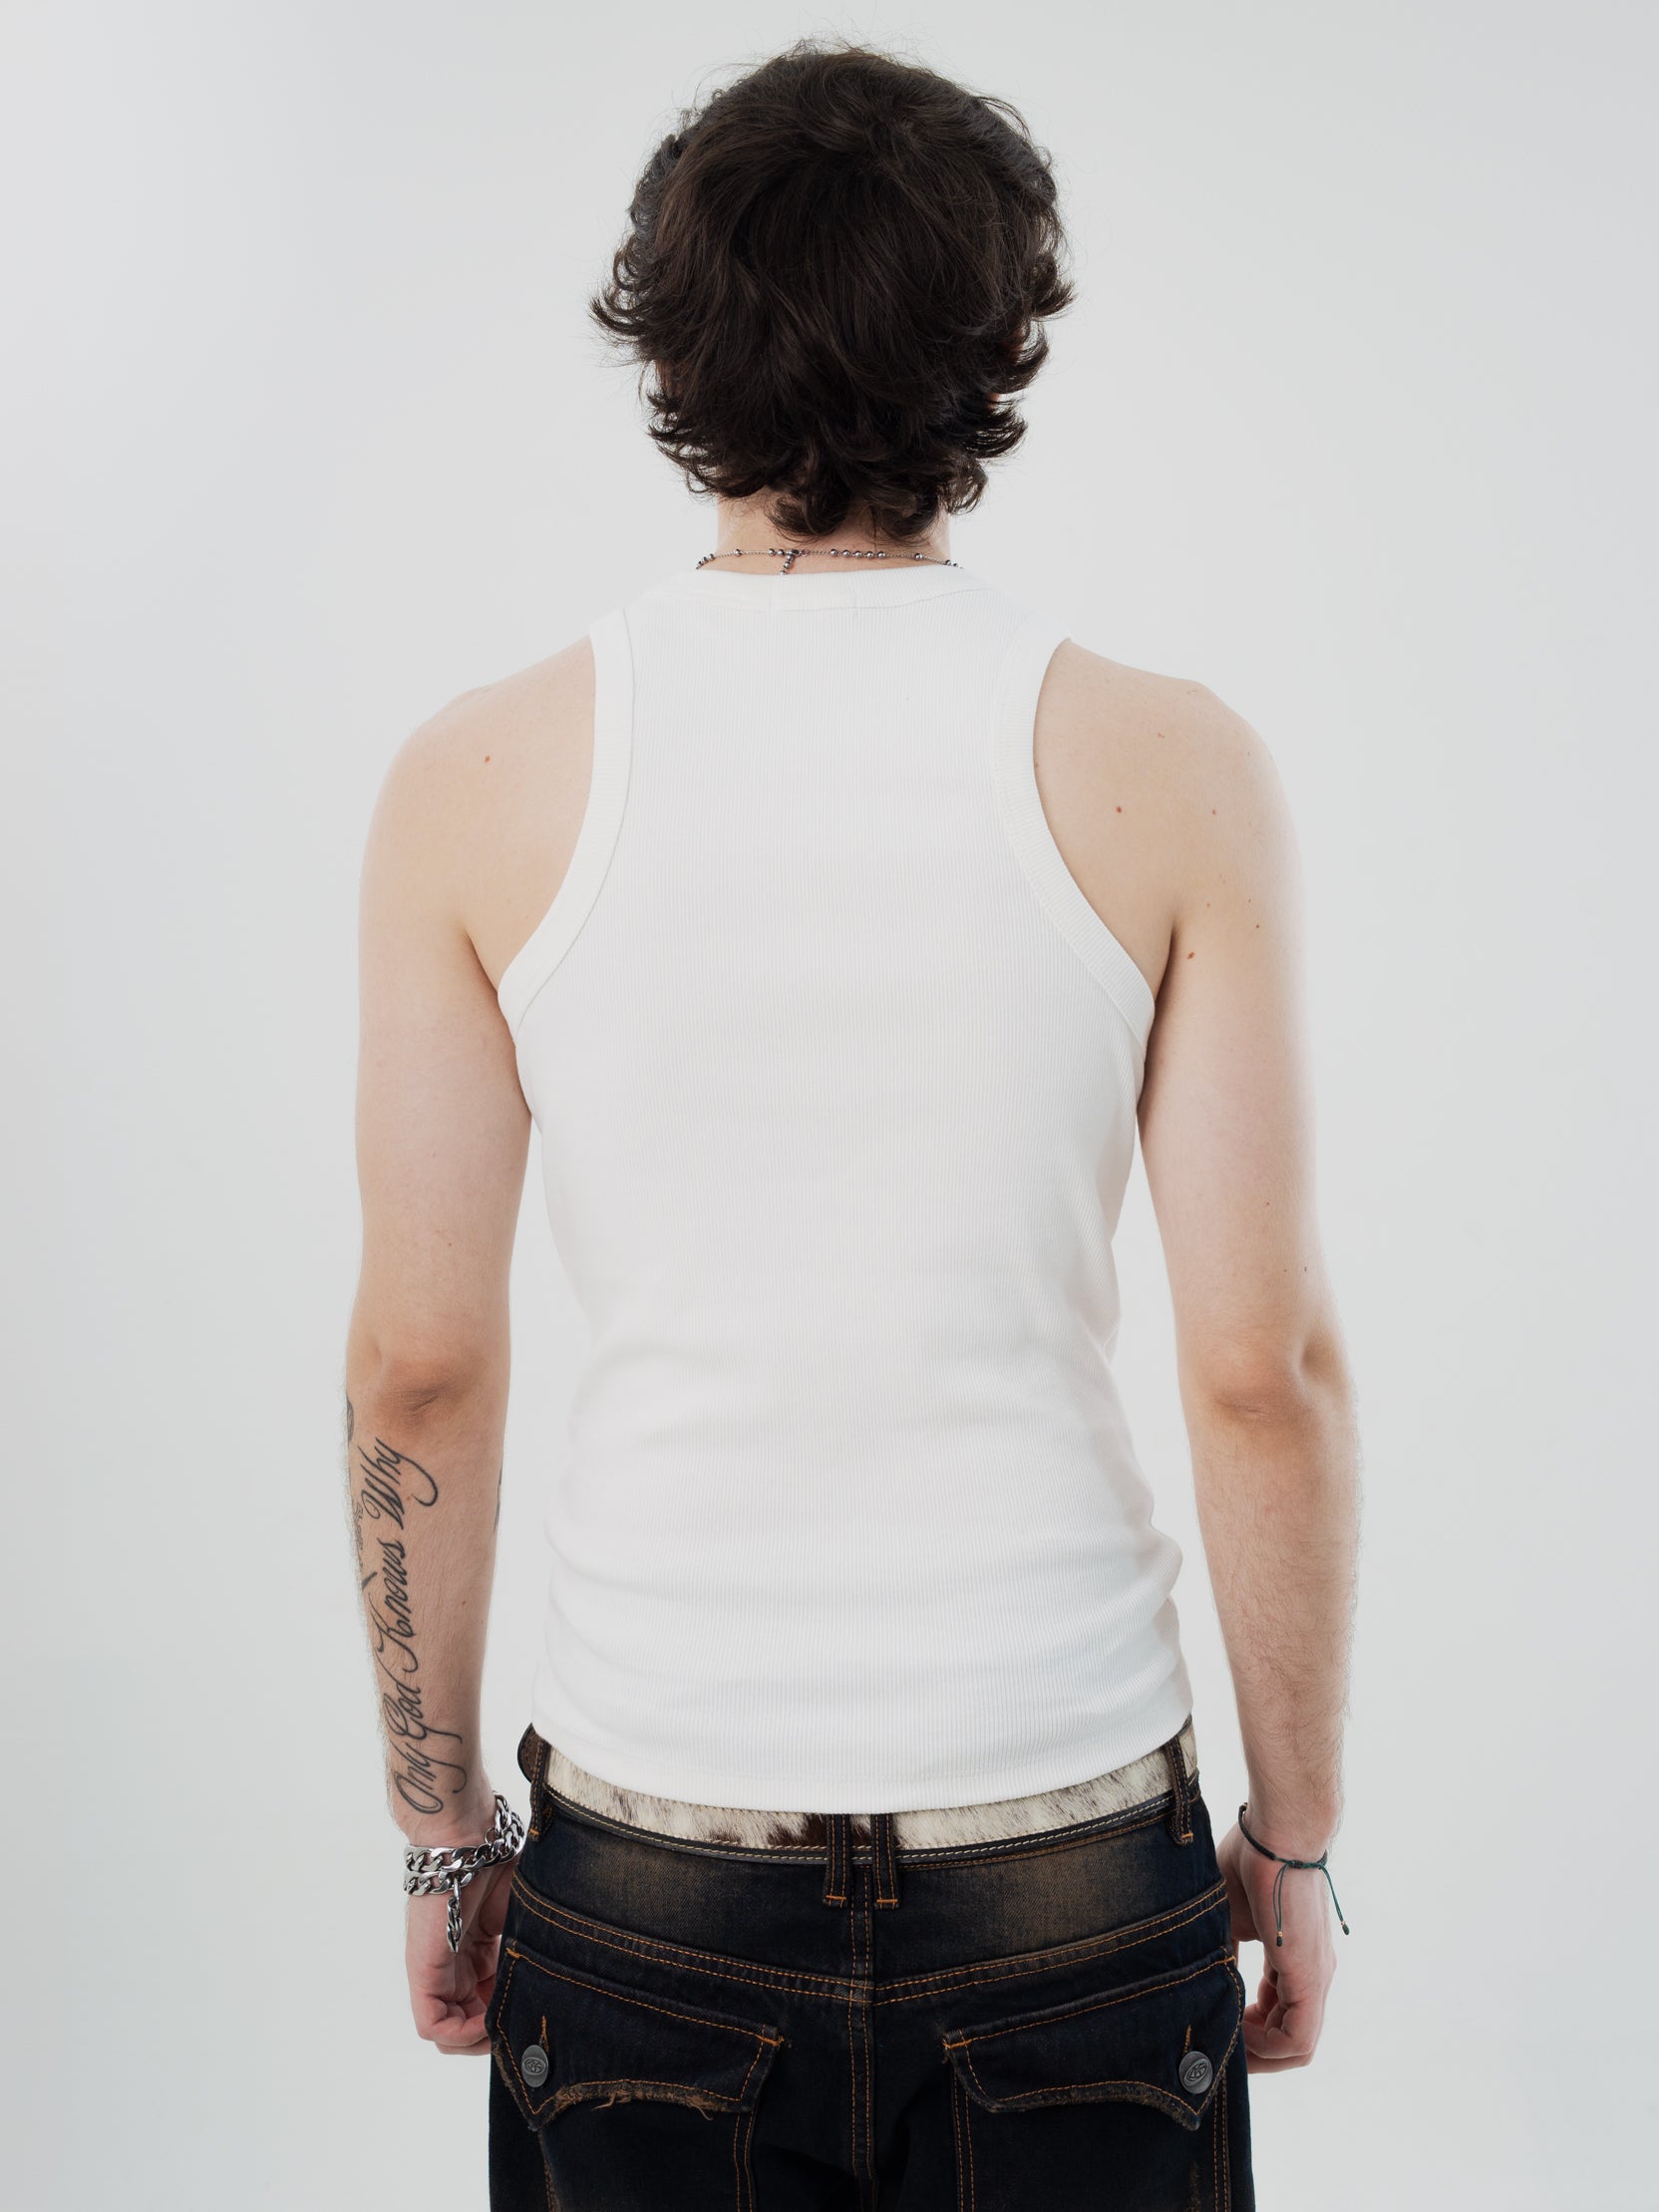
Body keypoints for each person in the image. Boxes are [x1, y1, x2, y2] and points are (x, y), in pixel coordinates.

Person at [344, 38, 1360, 2211]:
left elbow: (419, 1365)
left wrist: (440, 1838)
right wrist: (1292, 1840)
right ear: (994, 345)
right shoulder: (1170, 768)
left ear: (670, 343)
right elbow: (1257, 1370)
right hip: (1067, 1854)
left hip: (650, 1863)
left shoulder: (479, 778)